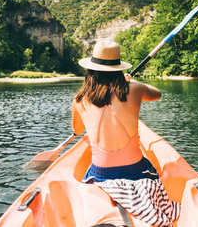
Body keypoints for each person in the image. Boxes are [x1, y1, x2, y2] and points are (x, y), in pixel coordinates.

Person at [71, 40, 180, 227]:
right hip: (135, 171)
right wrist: (131, 82)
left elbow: (78, 131)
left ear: (90, 70)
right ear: (118, 69)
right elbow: (157, 94)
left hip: (100, 174)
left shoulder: (79, 99)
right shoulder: (135, 90)